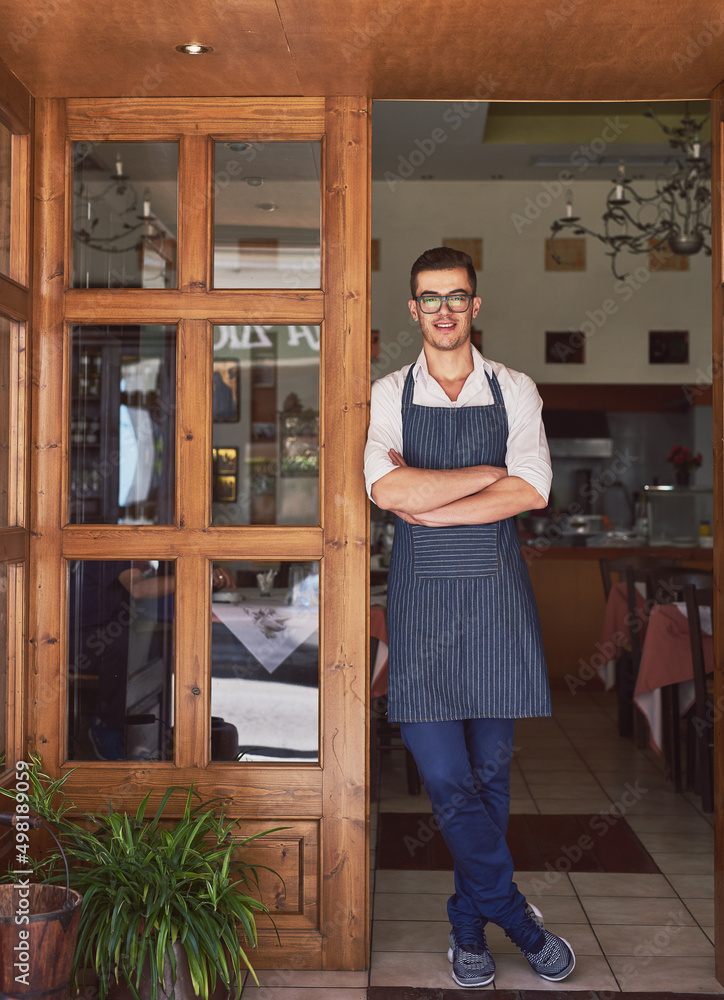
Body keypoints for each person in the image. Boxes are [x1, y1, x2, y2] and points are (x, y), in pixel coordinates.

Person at [364, 246, 575, 987]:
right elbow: (386, 491)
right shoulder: (388, 391)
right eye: (430, 298)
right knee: (449, 783)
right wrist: (484, 476)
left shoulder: (514, 387)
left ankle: (466, 928)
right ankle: (513, 916)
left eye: (457, 297)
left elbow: (534, 489)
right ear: (413, 308)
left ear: (475, 306)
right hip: (421, 613)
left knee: (489, 784)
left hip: (495, 604)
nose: (444, 310)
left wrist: (440, 509)